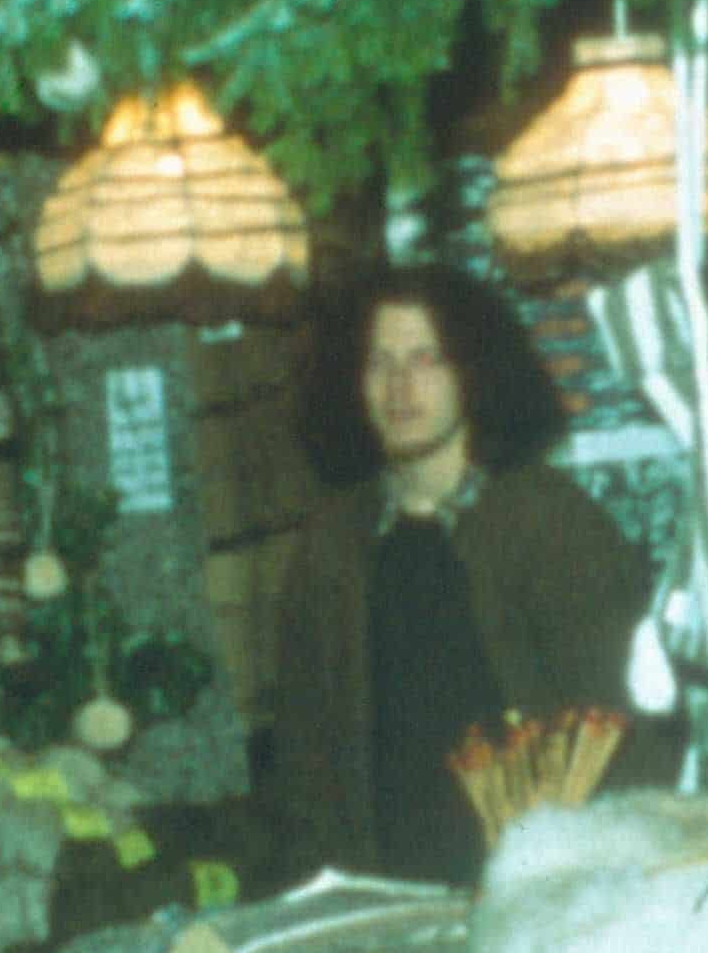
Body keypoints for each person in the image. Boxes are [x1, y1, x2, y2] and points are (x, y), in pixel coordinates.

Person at [268, 262, 649, 887]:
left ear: (474, 373)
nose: (399, 386)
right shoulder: (331, 545)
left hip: (533, 891)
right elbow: (305, 757)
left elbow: (619, 730)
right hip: (383, 891)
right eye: (379, 362)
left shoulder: (552, 525)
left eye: (426, 360)